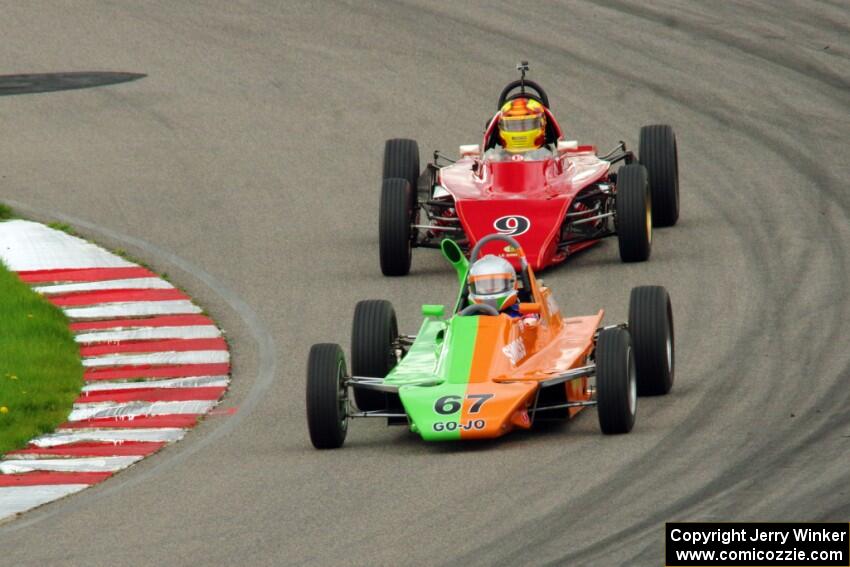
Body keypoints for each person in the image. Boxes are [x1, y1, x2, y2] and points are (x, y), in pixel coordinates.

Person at [483, 97, 553, 162]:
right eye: (513, 125)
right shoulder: (494, 159)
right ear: (500, 127)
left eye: (527, 125)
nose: (519, 130)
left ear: (542, 123)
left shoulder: (549, 158)